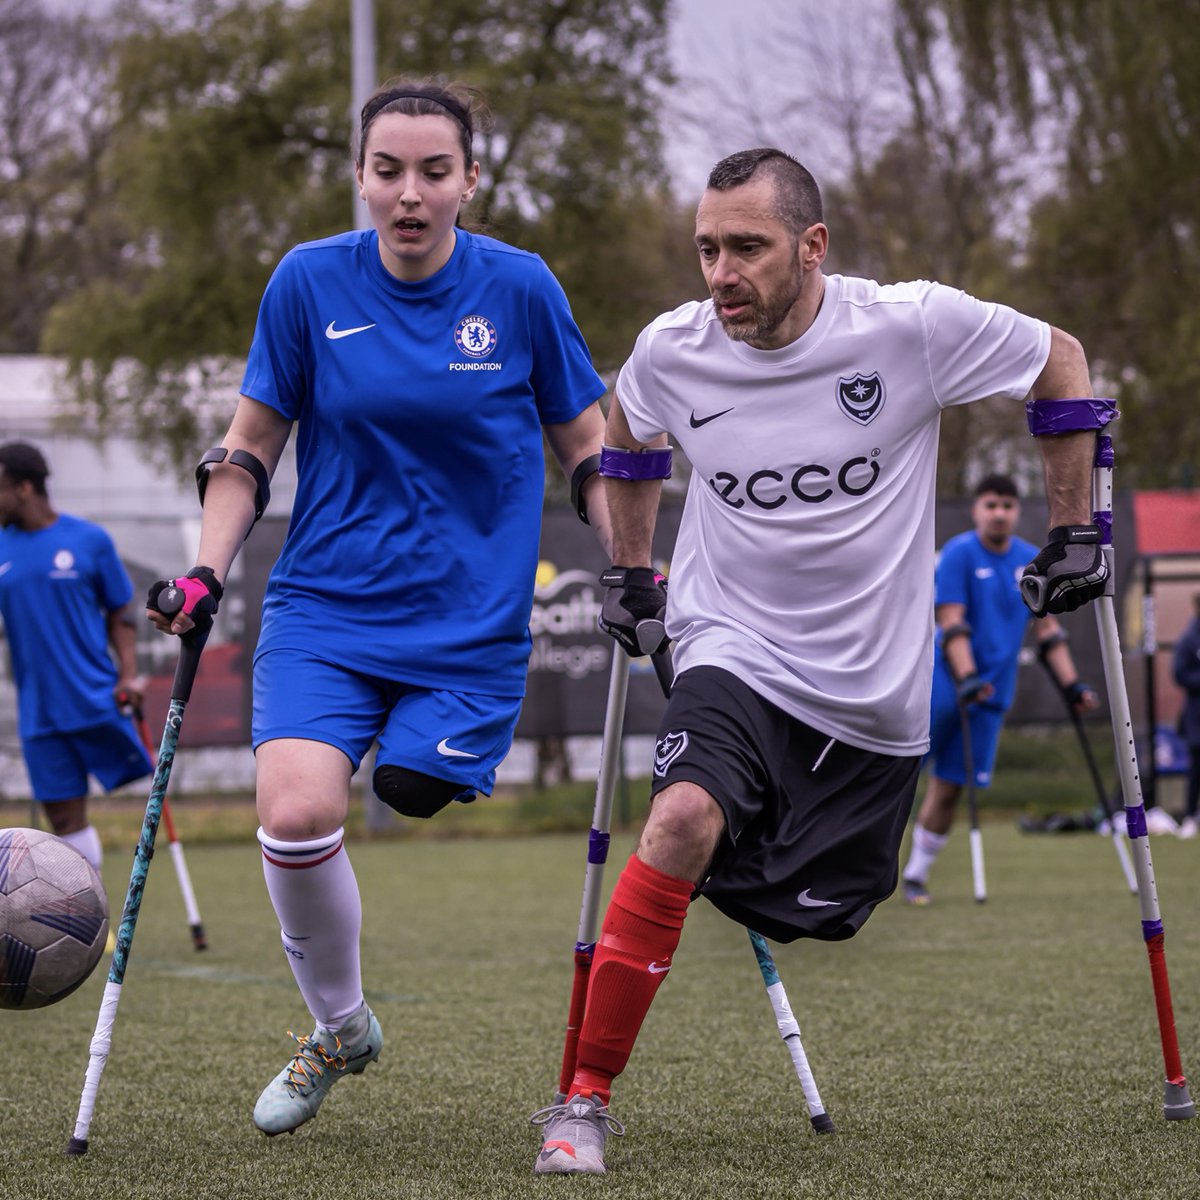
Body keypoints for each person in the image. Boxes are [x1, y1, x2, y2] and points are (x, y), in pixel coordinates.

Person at [529, 147, 1111, 1175]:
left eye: (746, 248)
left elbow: (1060, 360)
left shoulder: (909, 326)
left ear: (812, 247)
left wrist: (1075, 528)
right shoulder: (673, 348)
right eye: (706, 248)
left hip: (872, 706)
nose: (720, 273)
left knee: (828, 911)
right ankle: (582, 1100)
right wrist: (628, 571)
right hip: (729, 649)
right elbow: (629, 440)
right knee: (678, 818)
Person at [146, 77, 611, 1137]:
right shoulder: (309, 284)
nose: (410, 193)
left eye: (434, 172)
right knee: (297, 813)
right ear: (361, 178)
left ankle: (348, 996)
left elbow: (587, 445)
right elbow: (249, 445)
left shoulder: (522, 290)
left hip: (468, 625)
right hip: (324, 604)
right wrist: (209, 569)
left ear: (470, 181)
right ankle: (340, 1027)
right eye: (388, 170)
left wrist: (627, 549)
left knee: (408, 783)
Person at [899, 473, 1098, 905]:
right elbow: (951, 621)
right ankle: (862, 867)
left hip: (992, 694)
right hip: (946, 684)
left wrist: (1072, 685)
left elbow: (1049, 633)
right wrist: (967, 677)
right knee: (900, 774)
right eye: (991, 505)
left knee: (951, 785)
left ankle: (916, 875)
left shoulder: (1030, 561)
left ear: (1016, 512)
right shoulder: (958, 554)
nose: (999, 513)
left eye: (1007, 506)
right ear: (976, 510)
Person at [0, 441, 152, 872]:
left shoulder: (89, 540)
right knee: (63, 819)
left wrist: (129, 676)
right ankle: (86, 927)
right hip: (39, 711)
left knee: (140, 794)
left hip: (96, 698)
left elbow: (120, 615)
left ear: (25, 487)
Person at [1172, 593, 1200, 840]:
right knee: (1196, 768)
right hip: (1196, 716)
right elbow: (1180, 674)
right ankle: (1190, 816)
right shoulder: (1190, 639)